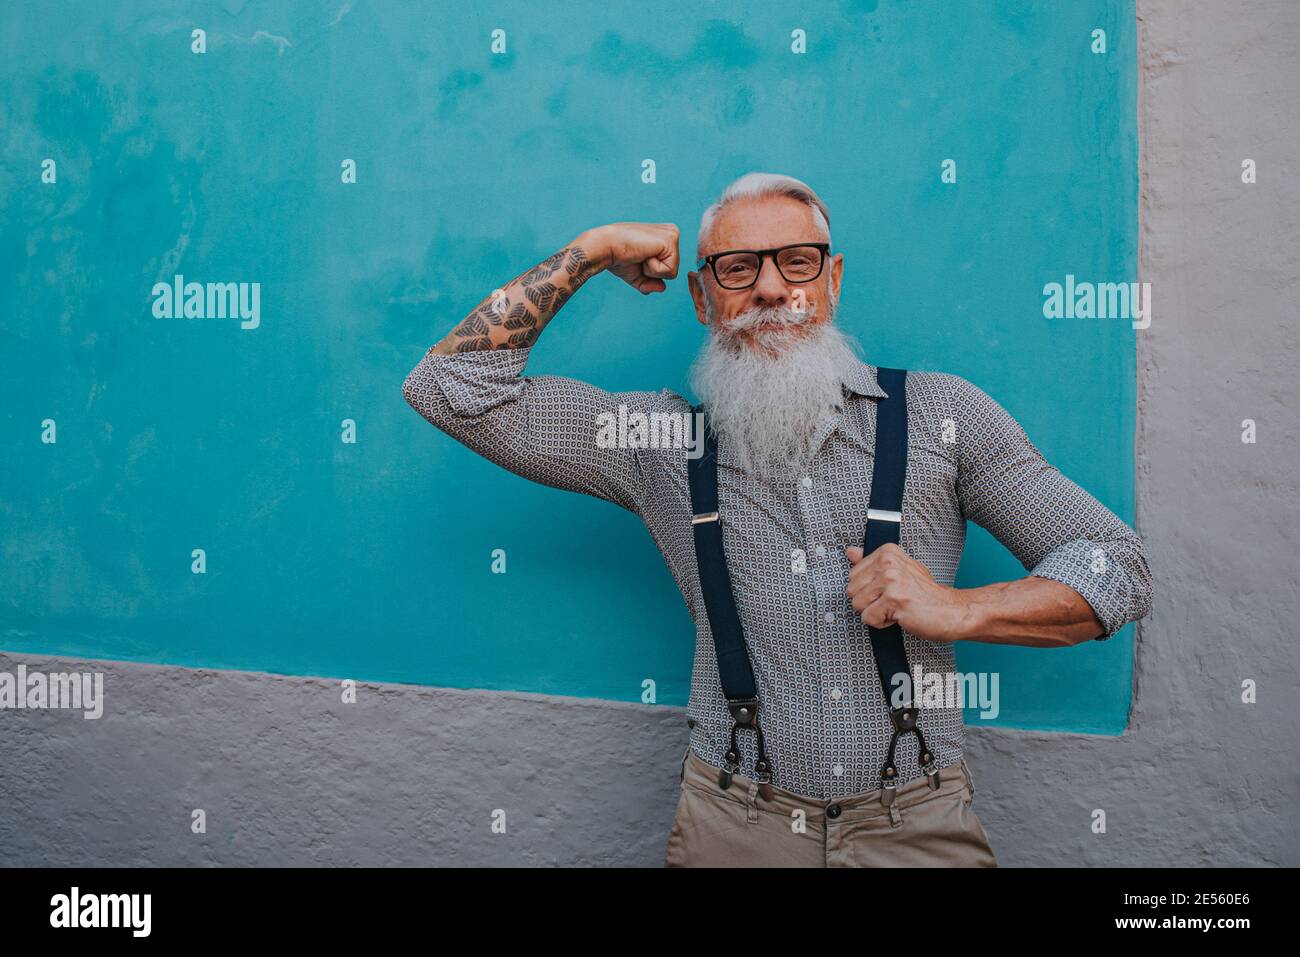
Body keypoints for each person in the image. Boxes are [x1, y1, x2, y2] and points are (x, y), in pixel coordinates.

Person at [401, 172, 1153, 867]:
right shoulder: (661, 444)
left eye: (797, 262)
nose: (770, 289)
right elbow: (450, 386)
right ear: (702, 299)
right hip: (734, 823)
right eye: (738, 268)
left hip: (917, 823)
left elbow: (1117, 563)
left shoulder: (943, 416)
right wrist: (592, 251)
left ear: (832, 280)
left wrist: (959, 608)